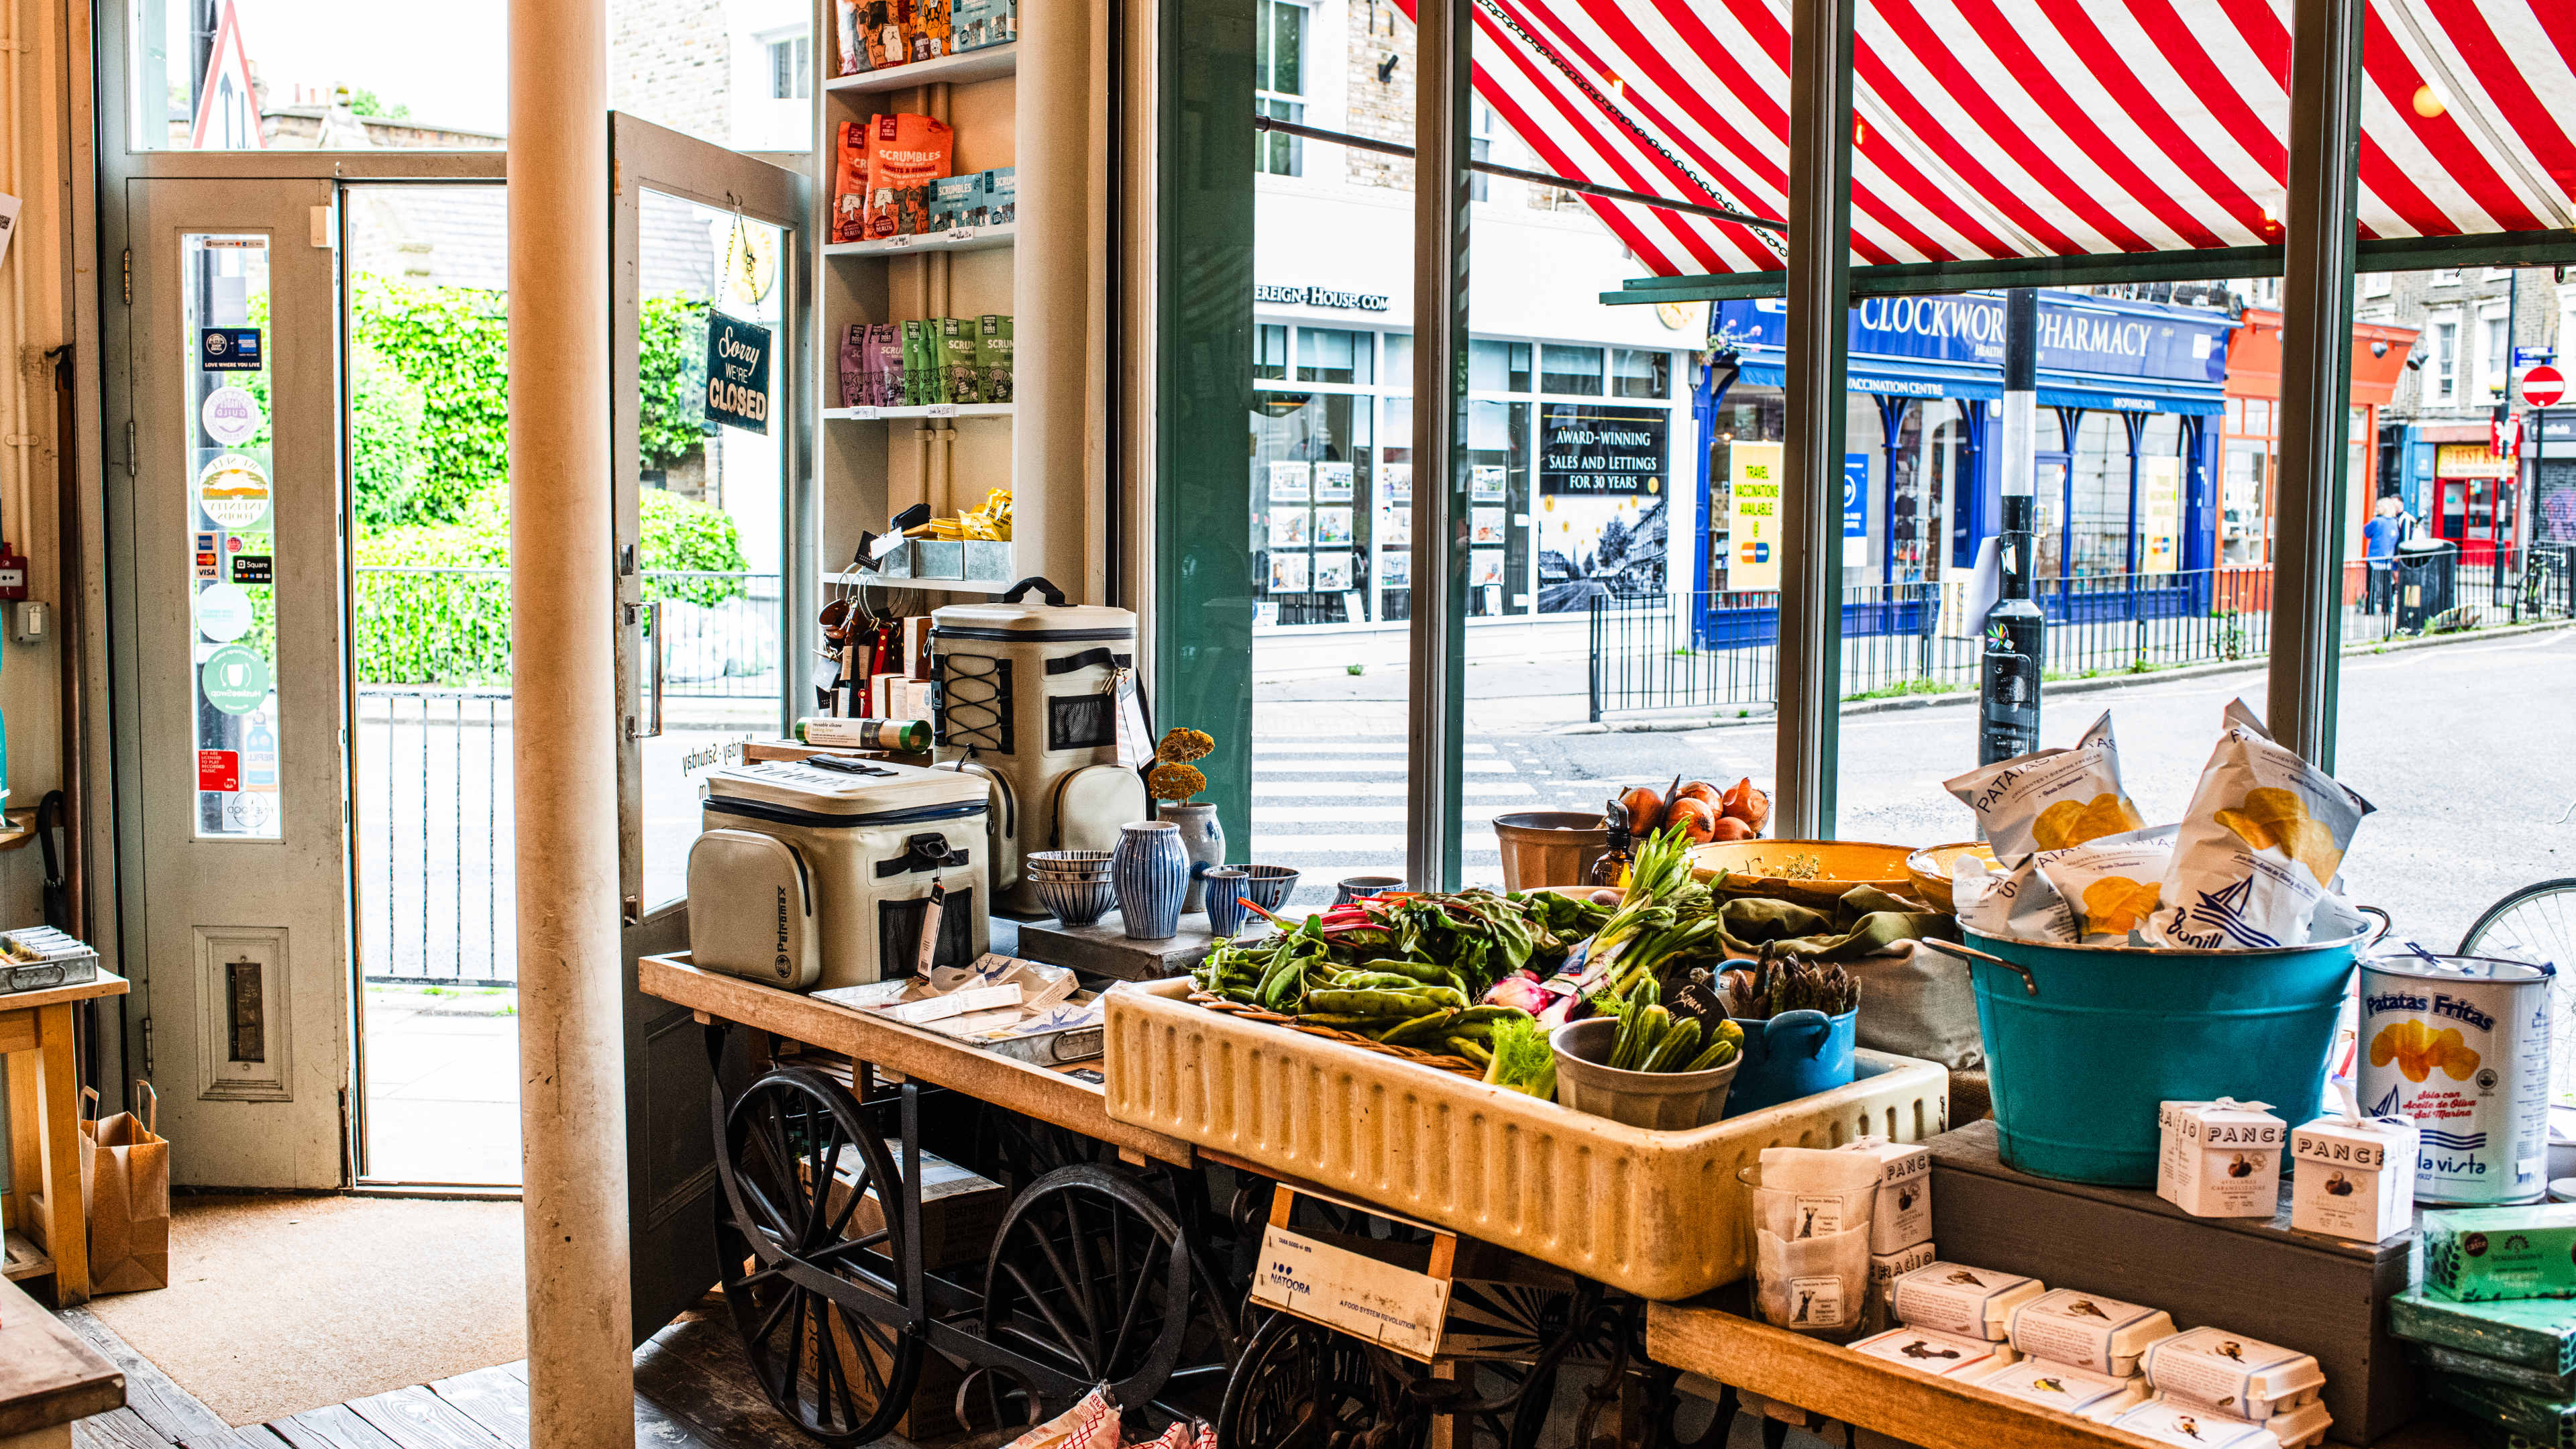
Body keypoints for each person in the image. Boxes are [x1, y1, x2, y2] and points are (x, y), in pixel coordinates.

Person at [2363, 496, 2405, 613]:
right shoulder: (2394, 522)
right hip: (2387, 557)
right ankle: (2387, 609)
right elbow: (2395, 538)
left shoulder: (2377, 521)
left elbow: (2367, 532)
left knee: (2371, 585)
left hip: (2374, 557)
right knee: (2386, 585)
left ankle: (2370, 609)